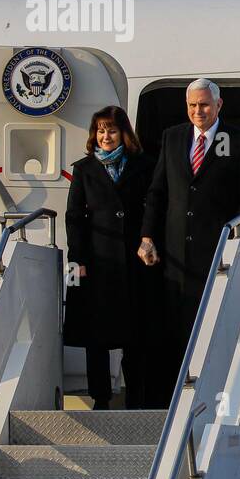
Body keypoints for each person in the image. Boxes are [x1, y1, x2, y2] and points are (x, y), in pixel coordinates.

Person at [138, 79, 240, 405]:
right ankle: (172, 400)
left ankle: (210, 396)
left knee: (212, 327)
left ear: (218, 106)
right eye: (192, 106)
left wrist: (228, 236)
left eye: (204, 105)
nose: (198, 112)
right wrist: (147, 236)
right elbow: (158, 192)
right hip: (174, 255)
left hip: (217, 253)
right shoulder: (173, 137)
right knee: (174, 330)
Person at [65, 106, 161, 409]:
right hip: (98, 260)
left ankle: (136, 395)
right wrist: (78, 259)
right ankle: (101, 397)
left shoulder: (143, 165)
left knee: (136, 333)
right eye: (101, 130)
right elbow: (74, 217)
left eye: (112, 130)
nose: (106, 136)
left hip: (134, 259)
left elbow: (153, 206)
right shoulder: (84, 169)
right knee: (98, 335)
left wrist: (149, 239)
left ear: (123, 133)